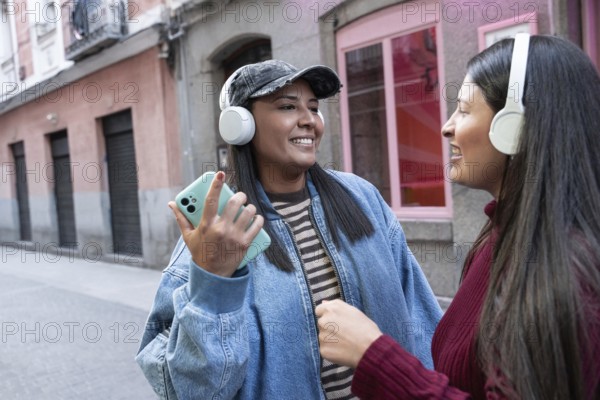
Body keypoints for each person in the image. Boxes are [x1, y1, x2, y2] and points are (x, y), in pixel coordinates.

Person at [136, 59, 442, 399]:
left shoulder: (363, 198)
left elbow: (421, 319)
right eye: (287, 106)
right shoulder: (219, 232)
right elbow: (193, 391)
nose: (309, 120)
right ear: (241, 125)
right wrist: (214, 281)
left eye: (314, 108)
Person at [316, 34, 600, 400]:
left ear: (513, 127)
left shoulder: (569, 270)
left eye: (464, 110)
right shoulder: (499, 237)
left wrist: (375, 358)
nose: (447, 126)